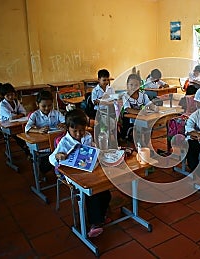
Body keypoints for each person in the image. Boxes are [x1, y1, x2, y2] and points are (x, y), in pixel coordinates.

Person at [49, 109, 111, 238]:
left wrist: (98, 151)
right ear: (68, 129)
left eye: (81, 130)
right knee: (91, 194)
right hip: (73, 175)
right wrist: (58, 156)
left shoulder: (87, 136)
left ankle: (101, 216)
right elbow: (51, 158)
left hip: (88, 171)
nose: (79, 134)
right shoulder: (64, 142)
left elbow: (93, 148)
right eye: (75, 131)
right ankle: (94, 224)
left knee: (105, 192)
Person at [120, 73, 158, 141]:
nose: (133, 87)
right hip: (128, 119)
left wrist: (154, 108)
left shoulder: (143, 95)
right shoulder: (125, 96)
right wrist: (141, 112)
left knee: (149, 124)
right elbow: (128, 109)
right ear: (127, 85)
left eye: (136, 85)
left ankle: (146, 143)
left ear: (140, 85)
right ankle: (137, 141)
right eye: (131, 85)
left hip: (139, 117)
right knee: (140, 126)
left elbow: (149, 104)